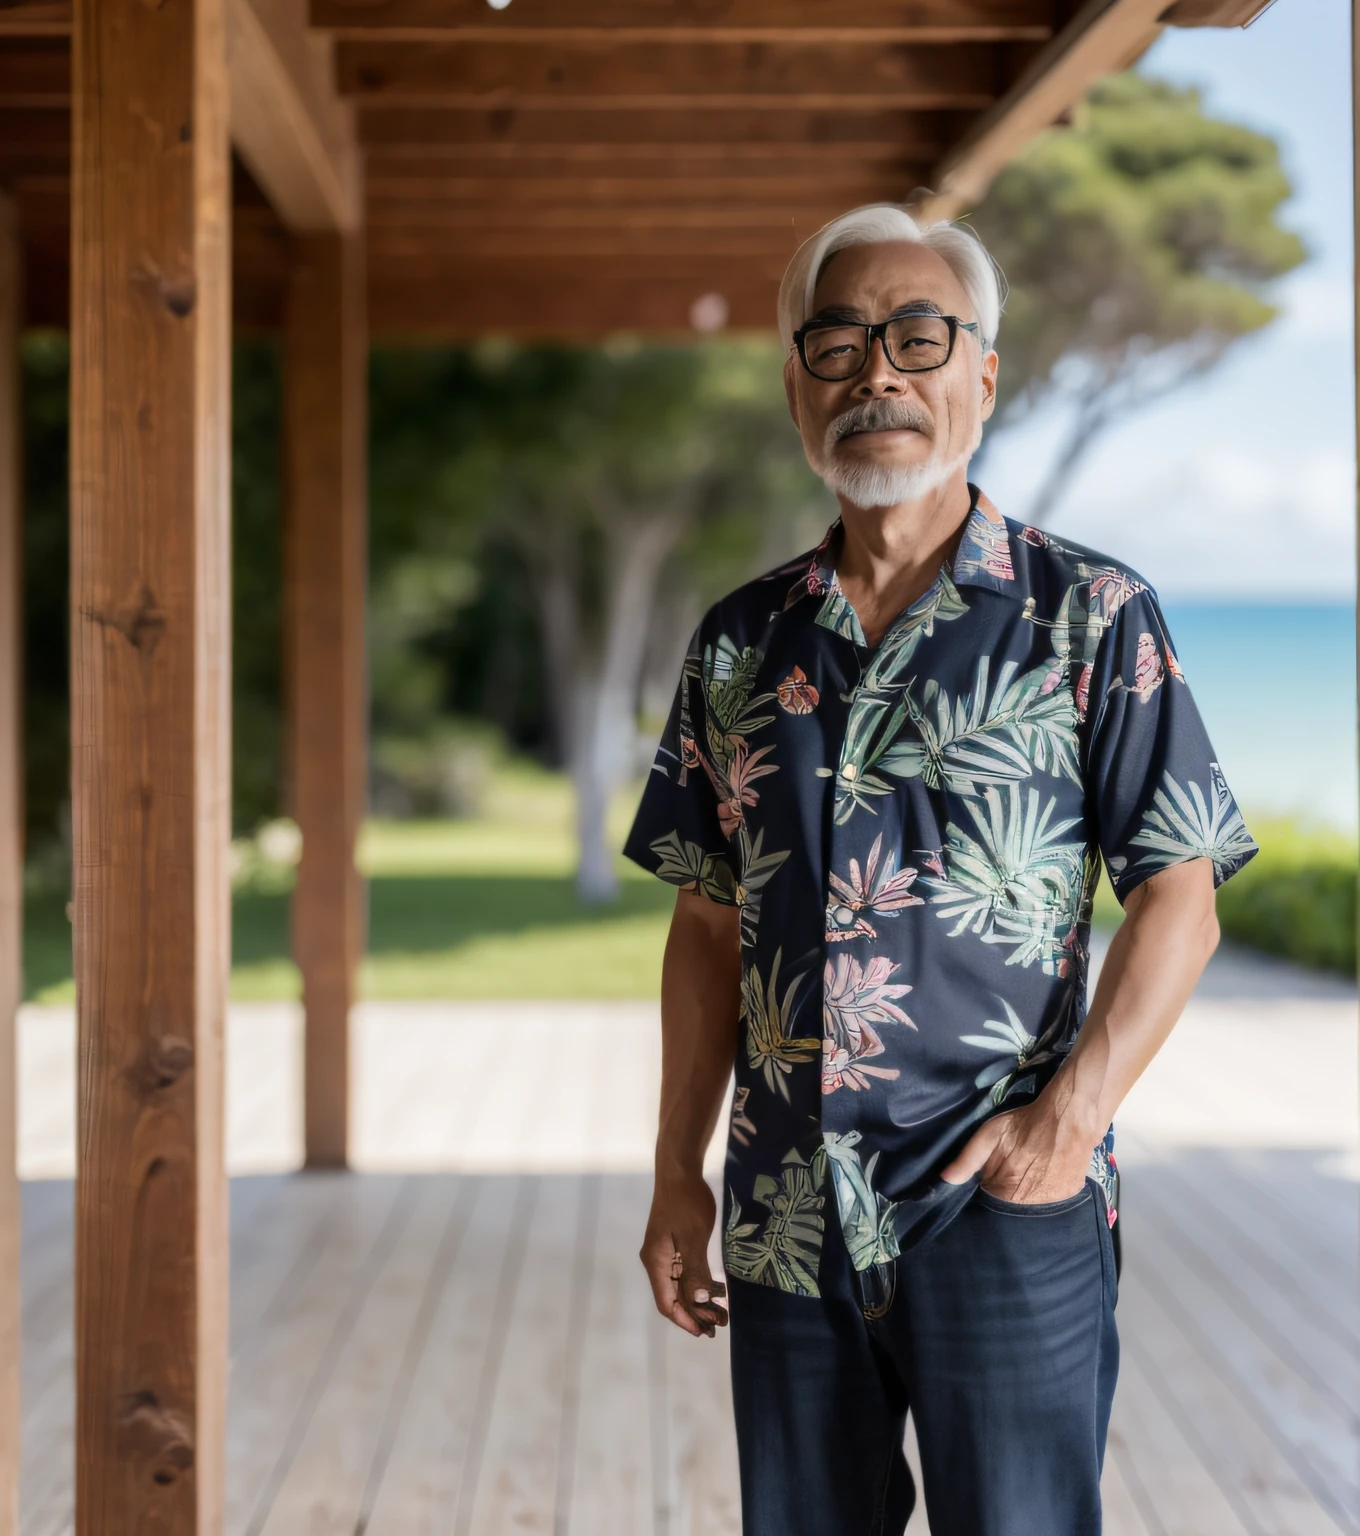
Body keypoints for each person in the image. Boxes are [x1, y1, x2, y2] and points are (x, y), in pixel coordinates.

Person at [622, 204, 1258, 1536]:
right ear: (797, 386)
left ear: (982, 373)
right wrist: (679, 1167)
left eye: (919, 336)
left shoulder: (1090, 616)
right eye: (839, 343)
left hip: (1005, 1203)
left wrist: (1069, 1121)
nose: (878, 376)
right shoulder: (741, 643)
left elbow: (1180, 898)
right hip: (789, 1209)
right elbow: (705, 923)